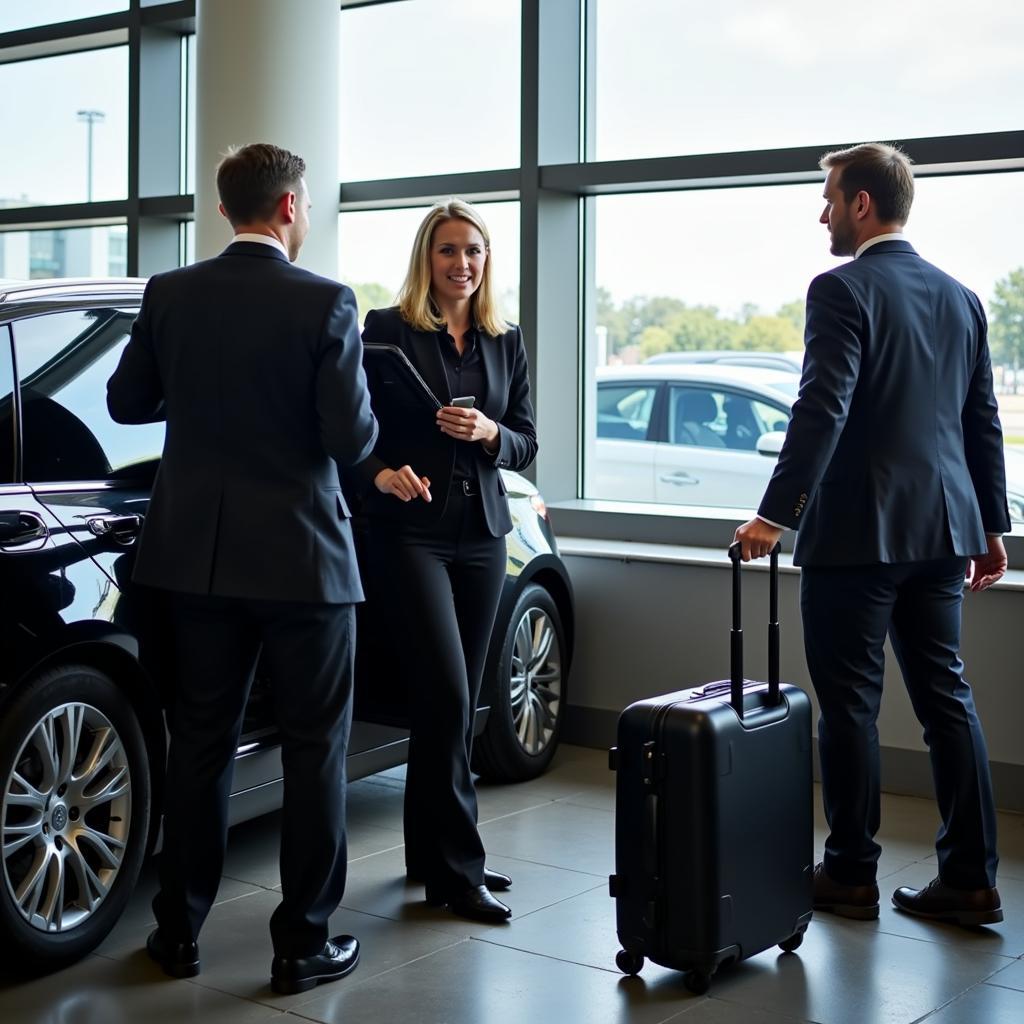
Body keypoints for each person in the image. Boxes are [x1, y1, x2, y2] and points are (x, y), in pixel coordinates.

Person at [106, 143, 378, 993]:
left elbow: (125, 403)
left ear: (225, 209)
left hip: (196, 560)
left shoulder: (172, 294)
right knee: (313, 753)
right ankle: (302, 944)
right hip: (302, 562)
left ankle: (177, 934)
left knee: (200, 746)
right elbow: (352, 440)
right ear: (291, 207)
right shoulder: (328, 302)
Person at [735, 143, 1009, 927]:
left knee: (851, 708)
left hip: (857, 535)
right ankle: (971, 879)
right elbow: (978, 421)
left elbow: (822, 406)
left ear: (861, 204)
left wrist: (773, 515)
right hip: (944, 533)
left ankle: (851, 872)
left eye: (828, 198)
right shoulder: (962, 297)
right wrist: (992, 527)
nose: (822, 214)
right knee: (947, 701)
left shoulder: (841, 288)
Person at [355, 198, 537, 923]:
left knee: (450, 708)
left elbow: (527, 440)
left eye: (474, 252)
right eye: (448, 251)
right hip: (412, 535)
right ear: (424, 258)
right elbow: (350, 427)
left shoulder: (506, 339)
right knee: (450, 695)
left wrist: (492, 431)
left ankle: (426, 853)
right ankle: (461, 872)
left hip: (483, 534)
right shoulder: (386, 331)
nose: (462, 264)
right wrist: (379, 473)